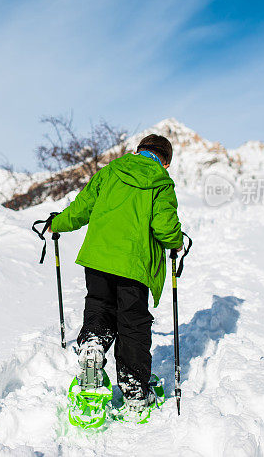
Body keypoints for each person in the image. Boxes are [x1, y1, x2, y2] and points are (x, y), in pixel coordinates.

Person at [47, 133, 183, 418]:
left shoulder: (109, 171)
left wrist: (57, 223)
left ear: (138, 151)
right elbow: (163, 226)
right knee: (132, 322)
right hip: (133, 265)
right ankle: (134, 390)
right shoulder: (161, 182)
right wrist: (176, 242)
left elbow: (81, 208)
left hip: (97, 258)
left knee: (99, 305)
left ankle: (93, 345)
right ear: (165, 162)